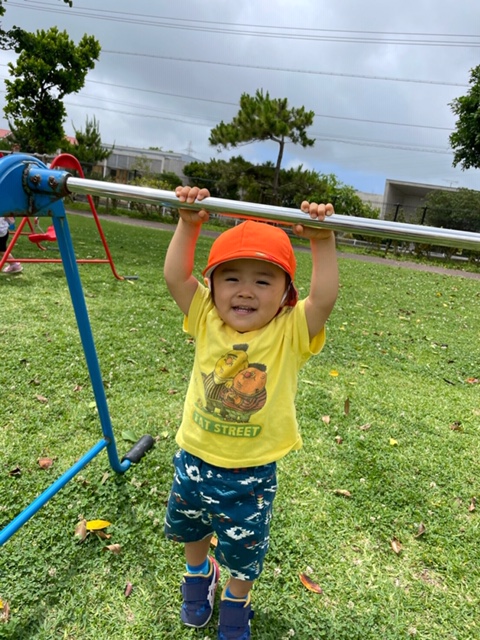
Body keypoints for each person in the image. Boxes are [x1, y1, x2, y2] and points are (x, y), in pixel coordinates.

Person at [163, 185, 339, 640]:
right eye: (231, 278)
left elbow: (323, 299)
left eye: (263, 281)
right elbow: (176, 277)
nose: (245, 291)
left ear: (285, 294)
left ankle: (236, 599)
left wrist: (322, 241)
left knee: (244, 549)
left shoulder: (289, 331)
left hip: (251, 472)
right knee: (191, 527)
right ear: (213, 286)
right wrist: (187, 224)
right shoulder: (205, 316)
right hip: (194, 456)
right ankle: (199, 574)